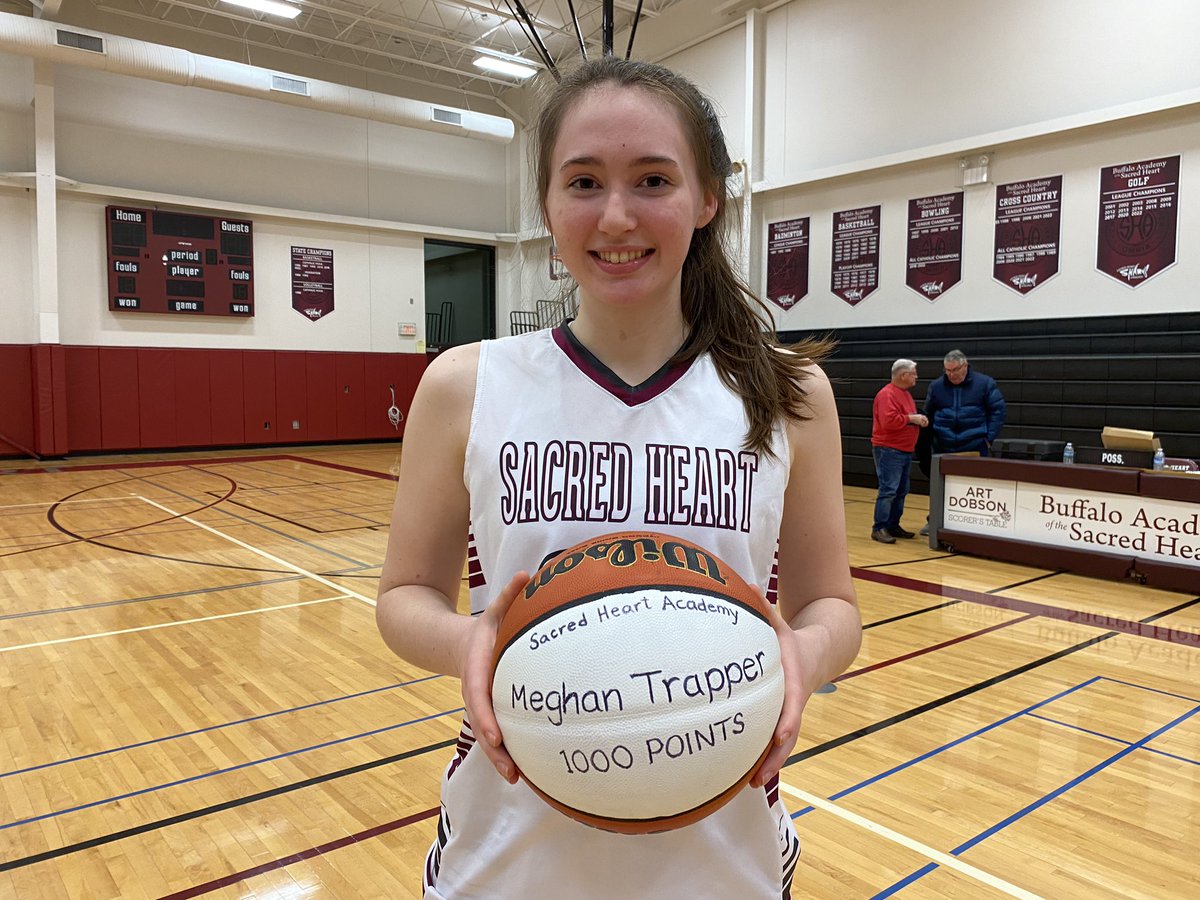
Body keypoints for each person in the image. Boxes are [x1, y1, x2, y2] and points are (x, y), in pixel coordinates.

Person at [375, 57, 861, 898]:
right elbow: (403, 598)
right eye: (585, 181)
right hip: (506, 862)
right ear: (547, 204)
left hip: (725, 862)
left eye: (653, 179)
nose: (617, 215)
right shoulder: (465, 384)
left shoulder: (790, 395)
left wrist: (805, 653)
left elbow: (835, 607)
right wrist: (470, 643)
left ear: (707, 199)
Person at [919, 349, 1006, 534]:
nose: (951, 375)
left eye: (955, 370)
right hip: (943, 444)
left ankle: (974, 523)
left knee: (975, 486)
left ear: (965, 366)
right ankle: (934, 520)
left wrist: (988, 438)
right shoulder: (936, 386)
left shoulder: (985, 384)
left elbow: (998, 412)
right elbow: (928, 413)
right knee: (940, 486)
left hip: (974, 444)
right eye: (947, 371)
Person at [870, 359, 927, 544]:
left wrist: (917, 419)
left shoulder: (904, 394)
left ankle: (893, 524)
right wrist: (913, 419)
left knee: (901, 490)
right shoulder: (887, 395)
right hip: (889, 450)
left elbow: (903, 418)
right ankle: (879, 528)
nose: (916, 377)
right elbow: (889, 422)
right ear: (904, 375)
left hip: (903, 450)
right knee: (888, 490)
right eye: (914, 373)